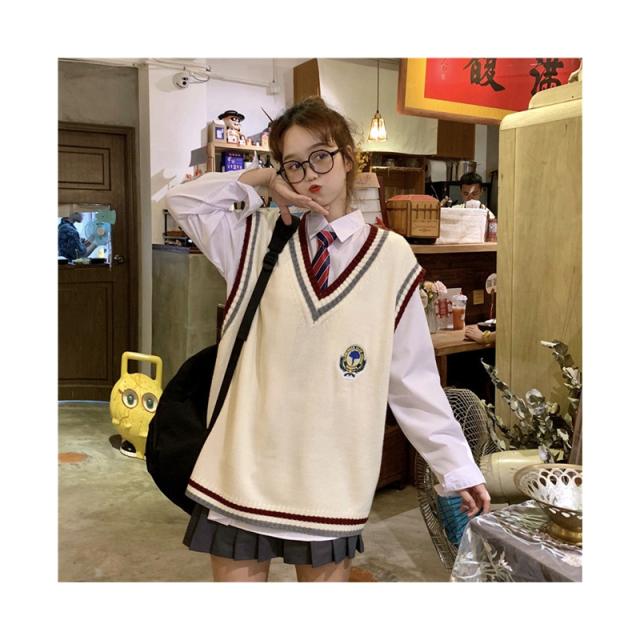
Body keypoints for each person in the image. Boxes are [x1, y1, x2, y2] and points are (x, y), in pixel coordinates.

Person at [166, 97, 491, 583]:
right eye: (293, 164)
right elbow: (182, 201)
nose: (309, 174)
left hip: (331, 478)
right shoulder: (254, 238)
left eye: (321, 155)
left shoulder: (391, 257)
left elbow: (412, 378)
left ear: (348, 157)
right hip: (242, 470)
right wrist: (262, 180)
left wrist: (456, 466)